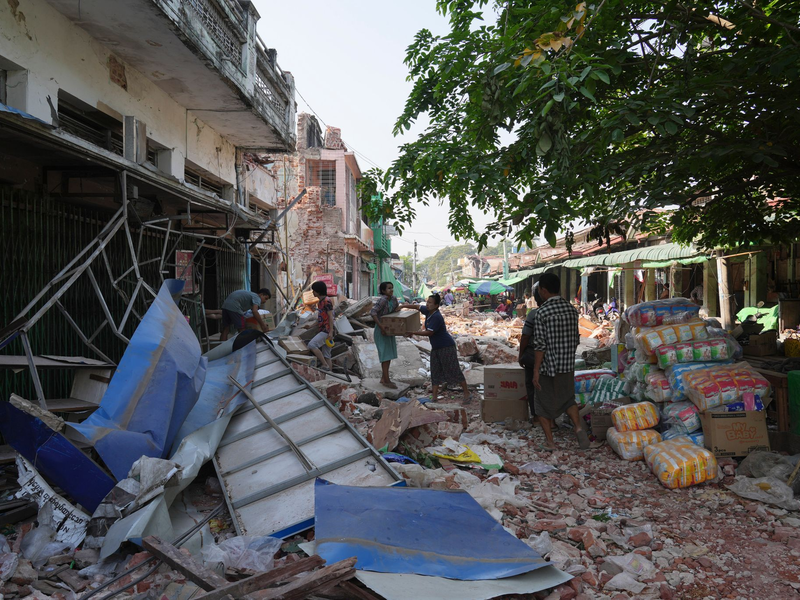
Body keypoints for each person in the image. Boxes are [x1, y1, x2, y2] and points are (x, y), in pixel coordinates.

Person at [531, 272, 589, 451]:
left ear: (543, 290)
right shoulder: (571, 310)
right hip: (567, 365)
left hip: (548, 366)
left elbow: (540, 345)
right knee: (568, 400)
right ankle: (579, 428)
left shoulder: (542, 312)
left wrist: (536, 370)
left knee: (540, 403)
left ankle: (550, 442)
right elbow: (576, 338)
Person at [405, 294, 469, 402]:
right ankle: (434, 397)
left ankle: (466, 393)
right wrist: (403, 307)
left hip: (446, 346)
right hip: (436, 347)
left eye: (430, 303)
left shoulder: (436, 317)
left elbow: (429, 332)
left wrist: (413, 332)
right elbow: (417, 307)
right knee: (435, 371)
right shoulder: (429, 311)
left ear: (436, 305)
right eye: (427, 302)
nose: (427, 304)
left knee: (454, 370)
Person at [519, 283, 543, 423]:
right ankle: (549, 416)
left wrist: (520, 355)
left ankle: (537, 416)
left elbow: (526, 336)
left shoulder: (534, 314)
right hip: (555, 357)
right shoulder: (567, 311)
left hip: (534, 356)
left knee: (532, 383)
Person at [370, 281, 401, 389]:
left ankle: (384, 378)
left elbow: (396, 309)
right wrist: (381, 326)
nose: (391, 290)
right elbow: (373, 313)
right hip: (381, 331)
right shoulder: (382, 300)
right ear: (383, 291)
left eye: (392, 288)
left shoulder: (393, 299)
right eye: (388, 288)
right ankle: (387, 381)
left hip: (389, 330)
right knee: (385, 356)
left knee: (389, 355)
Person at [308, 281, 335, 371]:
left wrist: (331, 331)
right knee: (327, 355)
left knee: (312, 345)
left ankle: (325, 365)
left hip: (326, 331)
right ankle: (330, 377)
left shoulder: (327, 301)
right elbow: (321, 318)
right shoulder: (320, 302)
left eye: (314, 291)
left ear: (318, 291)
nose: (313, 293)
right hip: (325, 330)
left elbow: (331, 316)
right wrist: (310, 326)